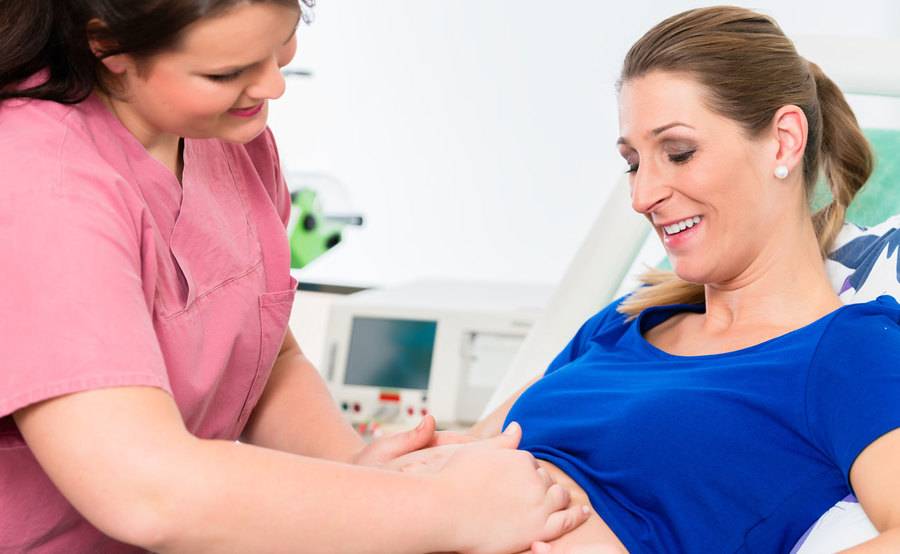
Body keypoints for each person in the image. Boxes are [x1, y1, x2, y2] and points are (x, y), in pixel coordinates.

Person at [0, 1, 591, 551]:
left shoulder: (223, 136)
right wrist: (444, 509)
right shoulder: (39, 183)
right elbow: (145, 489)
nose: (271, 86)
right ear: (107, 47)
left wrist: (356, 472)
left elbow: (262, 357)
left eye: (282, 46)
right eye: (227, 72)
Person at [393, 6, 900, 553]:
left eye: (678, 153)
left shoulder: (849, 352)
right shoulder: (622, 323)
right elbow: (478, 447)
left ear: (783, 141)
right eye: (634, 163)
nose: (642, 197)